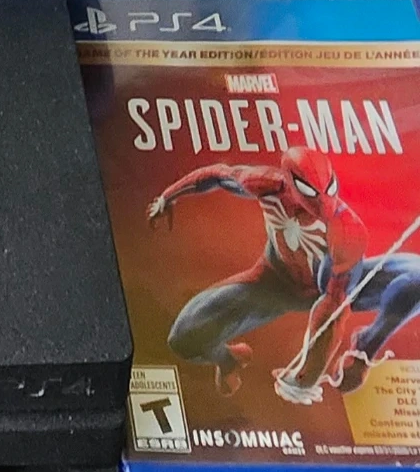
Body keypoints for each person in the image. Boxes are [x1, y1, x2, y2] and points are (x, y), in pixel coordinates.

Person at [148, 146, 420, 402]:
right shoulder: (266, 184)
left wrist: (306, 376)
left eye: (328, 190)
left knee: (416, 277)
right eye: (309, 191)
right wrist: (167, 198)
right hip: (274, 284)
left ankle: (366, 346)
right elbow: (218, 175)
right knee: (183, 338)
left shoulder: (346, 229)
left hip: (335, 287)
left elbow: (334, 305)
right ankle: (228, 359)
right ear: (289, 181)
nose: (322, 205)